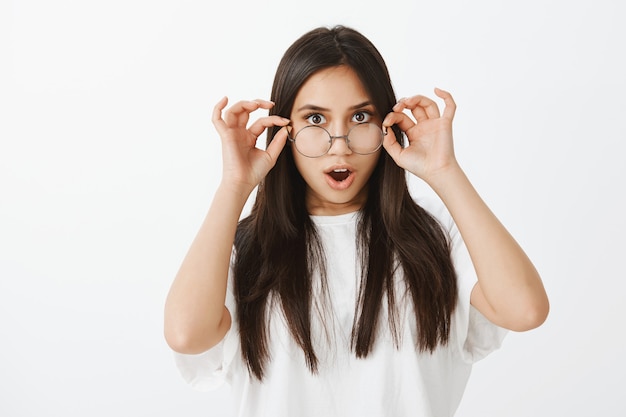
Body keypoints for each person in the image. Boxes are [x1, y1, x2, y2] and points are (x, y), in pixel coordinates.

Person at [164, 25, 549, 417]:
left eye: (360, 116)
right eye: (315, 119)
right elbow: (186, 335)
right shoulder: (242, 247)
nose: (340, 144)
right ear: (284, 128)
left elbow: (525, 310)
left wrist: (445, 171)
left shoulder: (437, 235)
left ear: (388, 123)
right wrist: (234, 185)